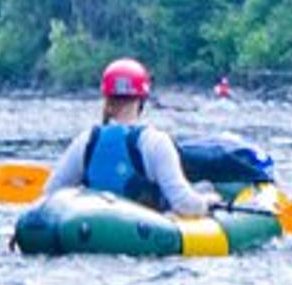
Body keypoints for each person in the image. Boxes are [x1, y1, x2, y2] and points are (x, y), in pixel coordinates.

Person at [40, 57, 219, 217]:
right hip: (144, 236)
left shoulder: (85, 141)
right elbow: (184, 204)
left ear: (106, 96)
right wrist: (207, 202)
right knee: (205, 188)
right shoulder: (155, 142)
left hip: (91, 230)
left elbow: (49, 197)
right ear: (142, 99)